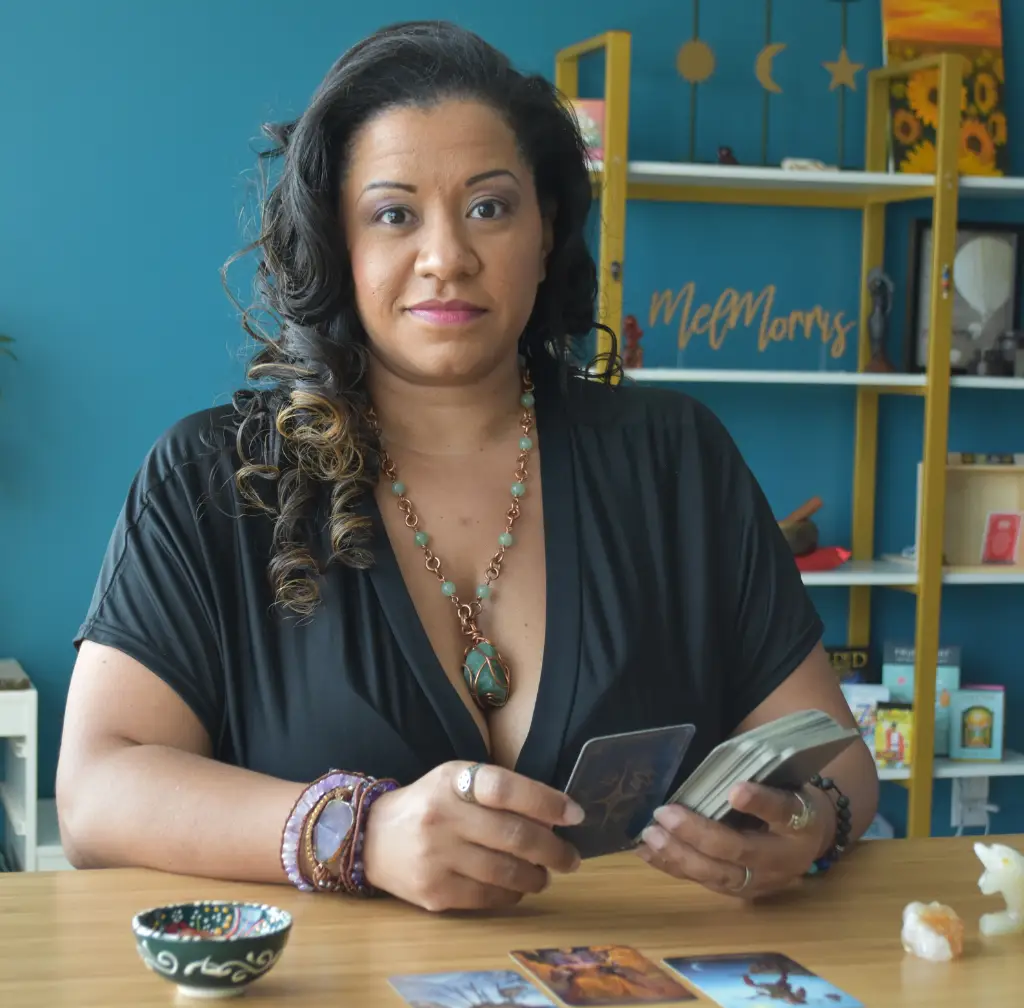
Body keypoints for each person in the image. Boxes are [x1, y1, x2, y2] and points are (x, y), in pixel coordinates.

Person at [56, 20, 878, 912]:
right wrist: (360, 834)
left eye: (489, 206)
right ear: (339, 239)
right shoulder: (210, 475)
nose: (446, 257)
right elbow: (97, 793)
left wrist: (811, 825)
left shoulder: (677, 455)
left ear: (546, 227)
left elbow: (837, 759)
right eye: (394, 213)